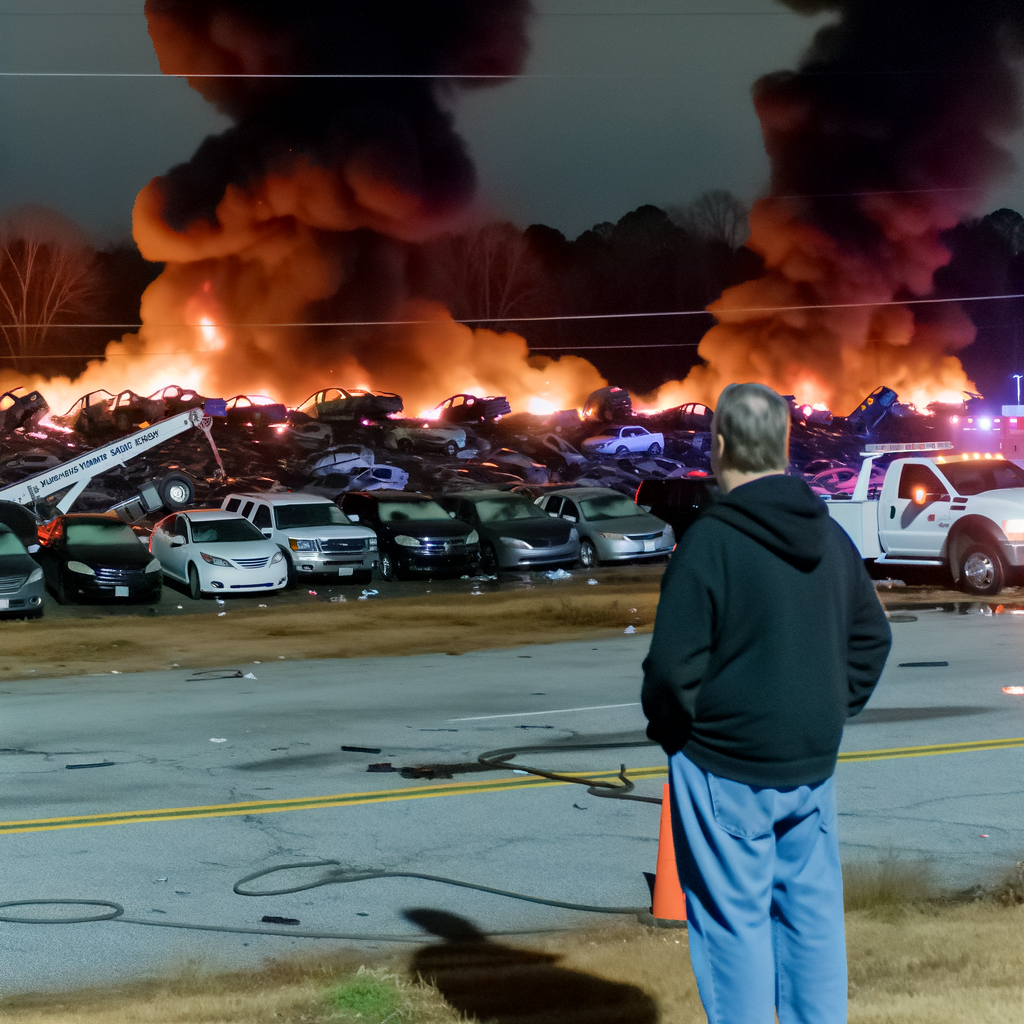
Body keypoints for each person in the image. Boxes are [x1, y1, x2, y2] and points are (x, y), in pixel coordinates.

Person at [641, 382, 891, 1024]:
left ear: (720, 446)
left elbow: (672, 671)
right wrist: (831, 709)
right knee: (810, 922)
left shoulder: (709, 542)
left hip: (724, 765)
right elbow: (871, 638)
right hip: (810, 766)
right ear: (784, 444)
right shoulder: (831, 537)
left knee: (734, 928)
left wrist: (680, 735)